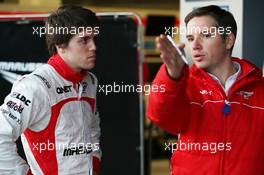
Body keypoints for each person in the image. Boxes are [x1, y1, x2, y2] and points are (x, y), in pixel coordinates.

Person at [147, 5, 264, 175]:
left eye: (206, 36)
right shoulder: (184, 84)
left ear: (228, 40)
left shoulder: (259, 89)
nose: (194, 45)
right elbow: (163, 117)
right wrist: (171, 75)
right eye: (190, 38)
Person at [0, 5, 101, 175]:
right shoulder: (34, 86)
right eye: (84, 40)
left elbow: (92, 127)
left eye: (94, 39)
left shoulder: (90, 81)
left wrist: (95, 161)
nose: (93, 47)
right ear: (60, 45)